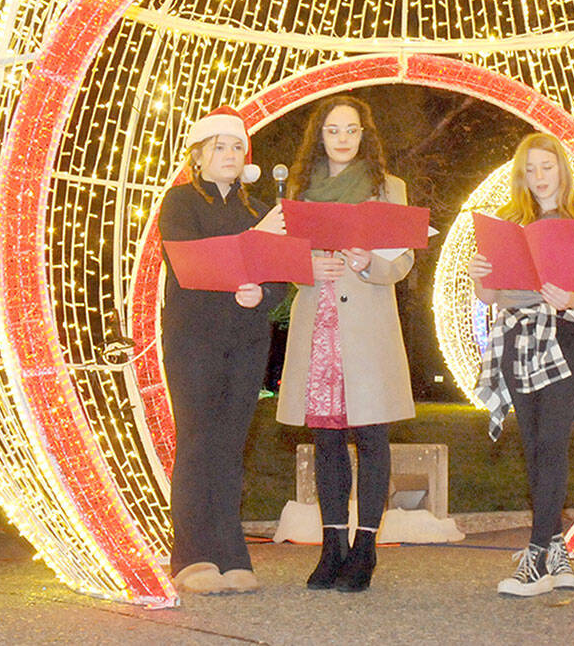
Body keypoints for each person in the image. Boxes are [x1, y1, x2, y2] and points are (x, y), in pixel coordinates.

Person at [276, 94, 416, 593]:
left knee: (372, 438)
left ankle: (366, 547)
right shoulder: (298, 191)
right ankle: (332, 546)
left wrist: (366, 262)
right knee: (327, 439)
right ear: (320, 135)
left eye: (351, 130)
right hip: (318, 324)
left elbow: (400, 263)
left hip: (368, 328)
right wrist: (305, 268)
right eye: (333, 130)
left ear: (364, 135)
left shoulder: (388, 189)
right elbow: (277, 257)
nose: (341, 139)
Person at [468, 132, 574, 597]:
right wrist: (480, 278)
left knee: (552, 440)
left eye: (546, 168)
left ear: (562, 170)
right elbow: (490, 296)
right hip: (516, 334)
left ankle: (535, 558)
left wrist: (570, 298)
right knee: (531, 444)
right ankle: (555, 550)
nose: (538, 178)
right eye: (529, 170)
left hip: (566, 332)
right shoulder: (510, 222)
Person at [157, 106, 286, 595]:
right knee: (198, 443)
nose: (229, 155)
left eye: (237, 147)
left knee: (231, 448)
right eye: (220, 147)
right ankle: (191, 557)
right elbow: (192, 263)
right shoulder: (180, 202)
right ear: (199, 155)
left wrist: (265, 294)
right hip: (194, 339)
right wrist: (253, 246)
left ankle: (232, 554)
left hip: (246, 340)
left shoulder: (256, 211)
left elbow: (279, 276)